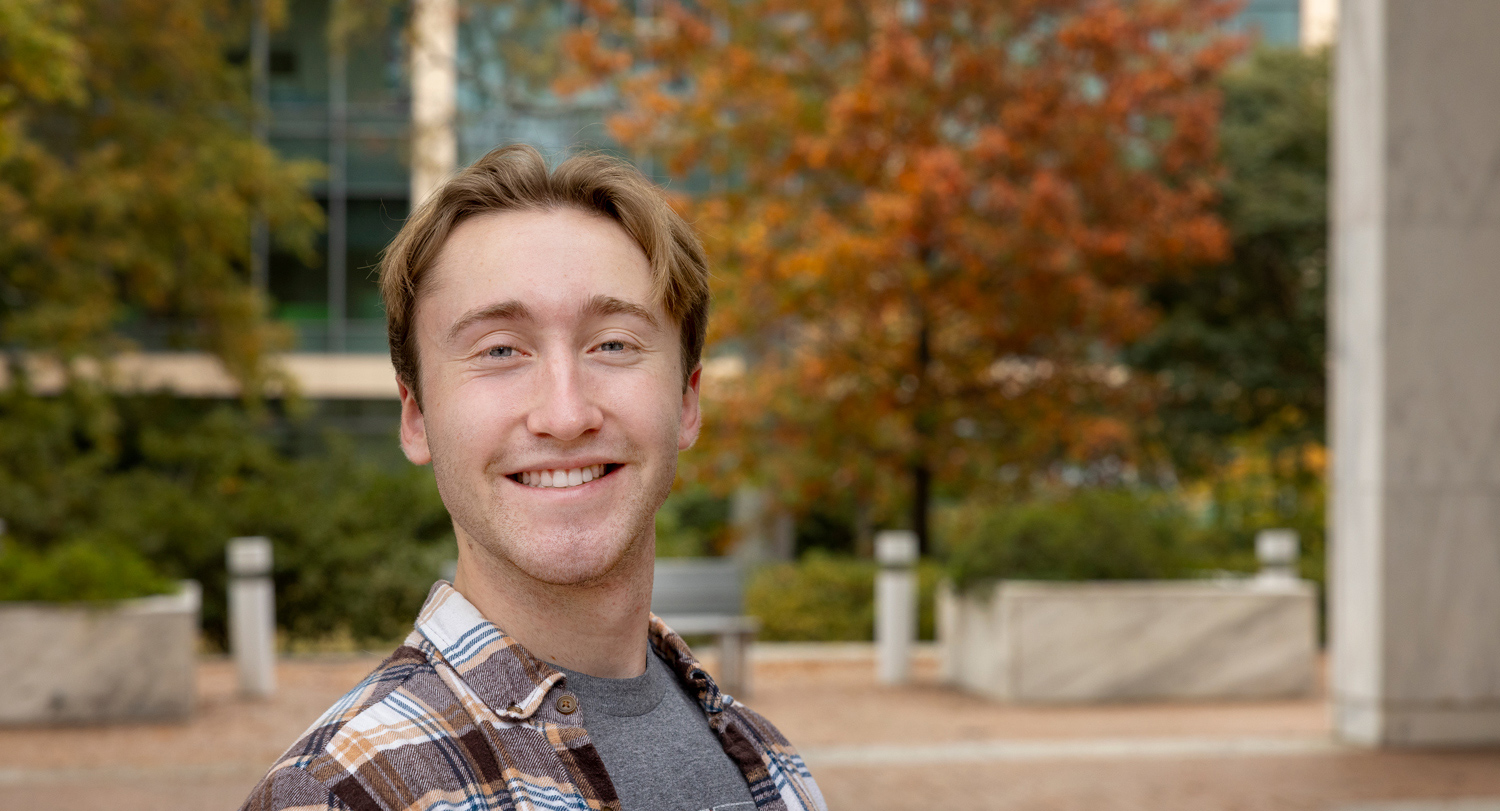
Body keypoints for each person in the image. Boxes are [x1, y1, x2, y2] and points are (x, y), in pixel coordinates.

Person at [239, 144, 827, 811]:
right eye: (499, 350)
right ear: (416, 416)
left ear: (687, 403)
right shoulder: (341, 795)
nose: (566, 413)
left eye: (613, 343)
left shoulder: (773, 765)